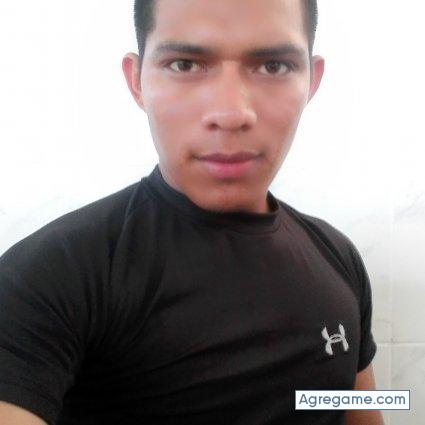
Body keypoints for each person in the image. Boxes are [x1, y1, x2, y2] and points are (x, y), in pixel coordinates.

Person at [0, 0, 384, 424]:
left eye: (273, 66)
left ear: (312, 81)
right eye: (184, 64)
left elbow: (357, 409)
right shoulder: (48, 276)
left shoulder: (339, 256)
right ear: (137, 81)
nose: (231, 114)